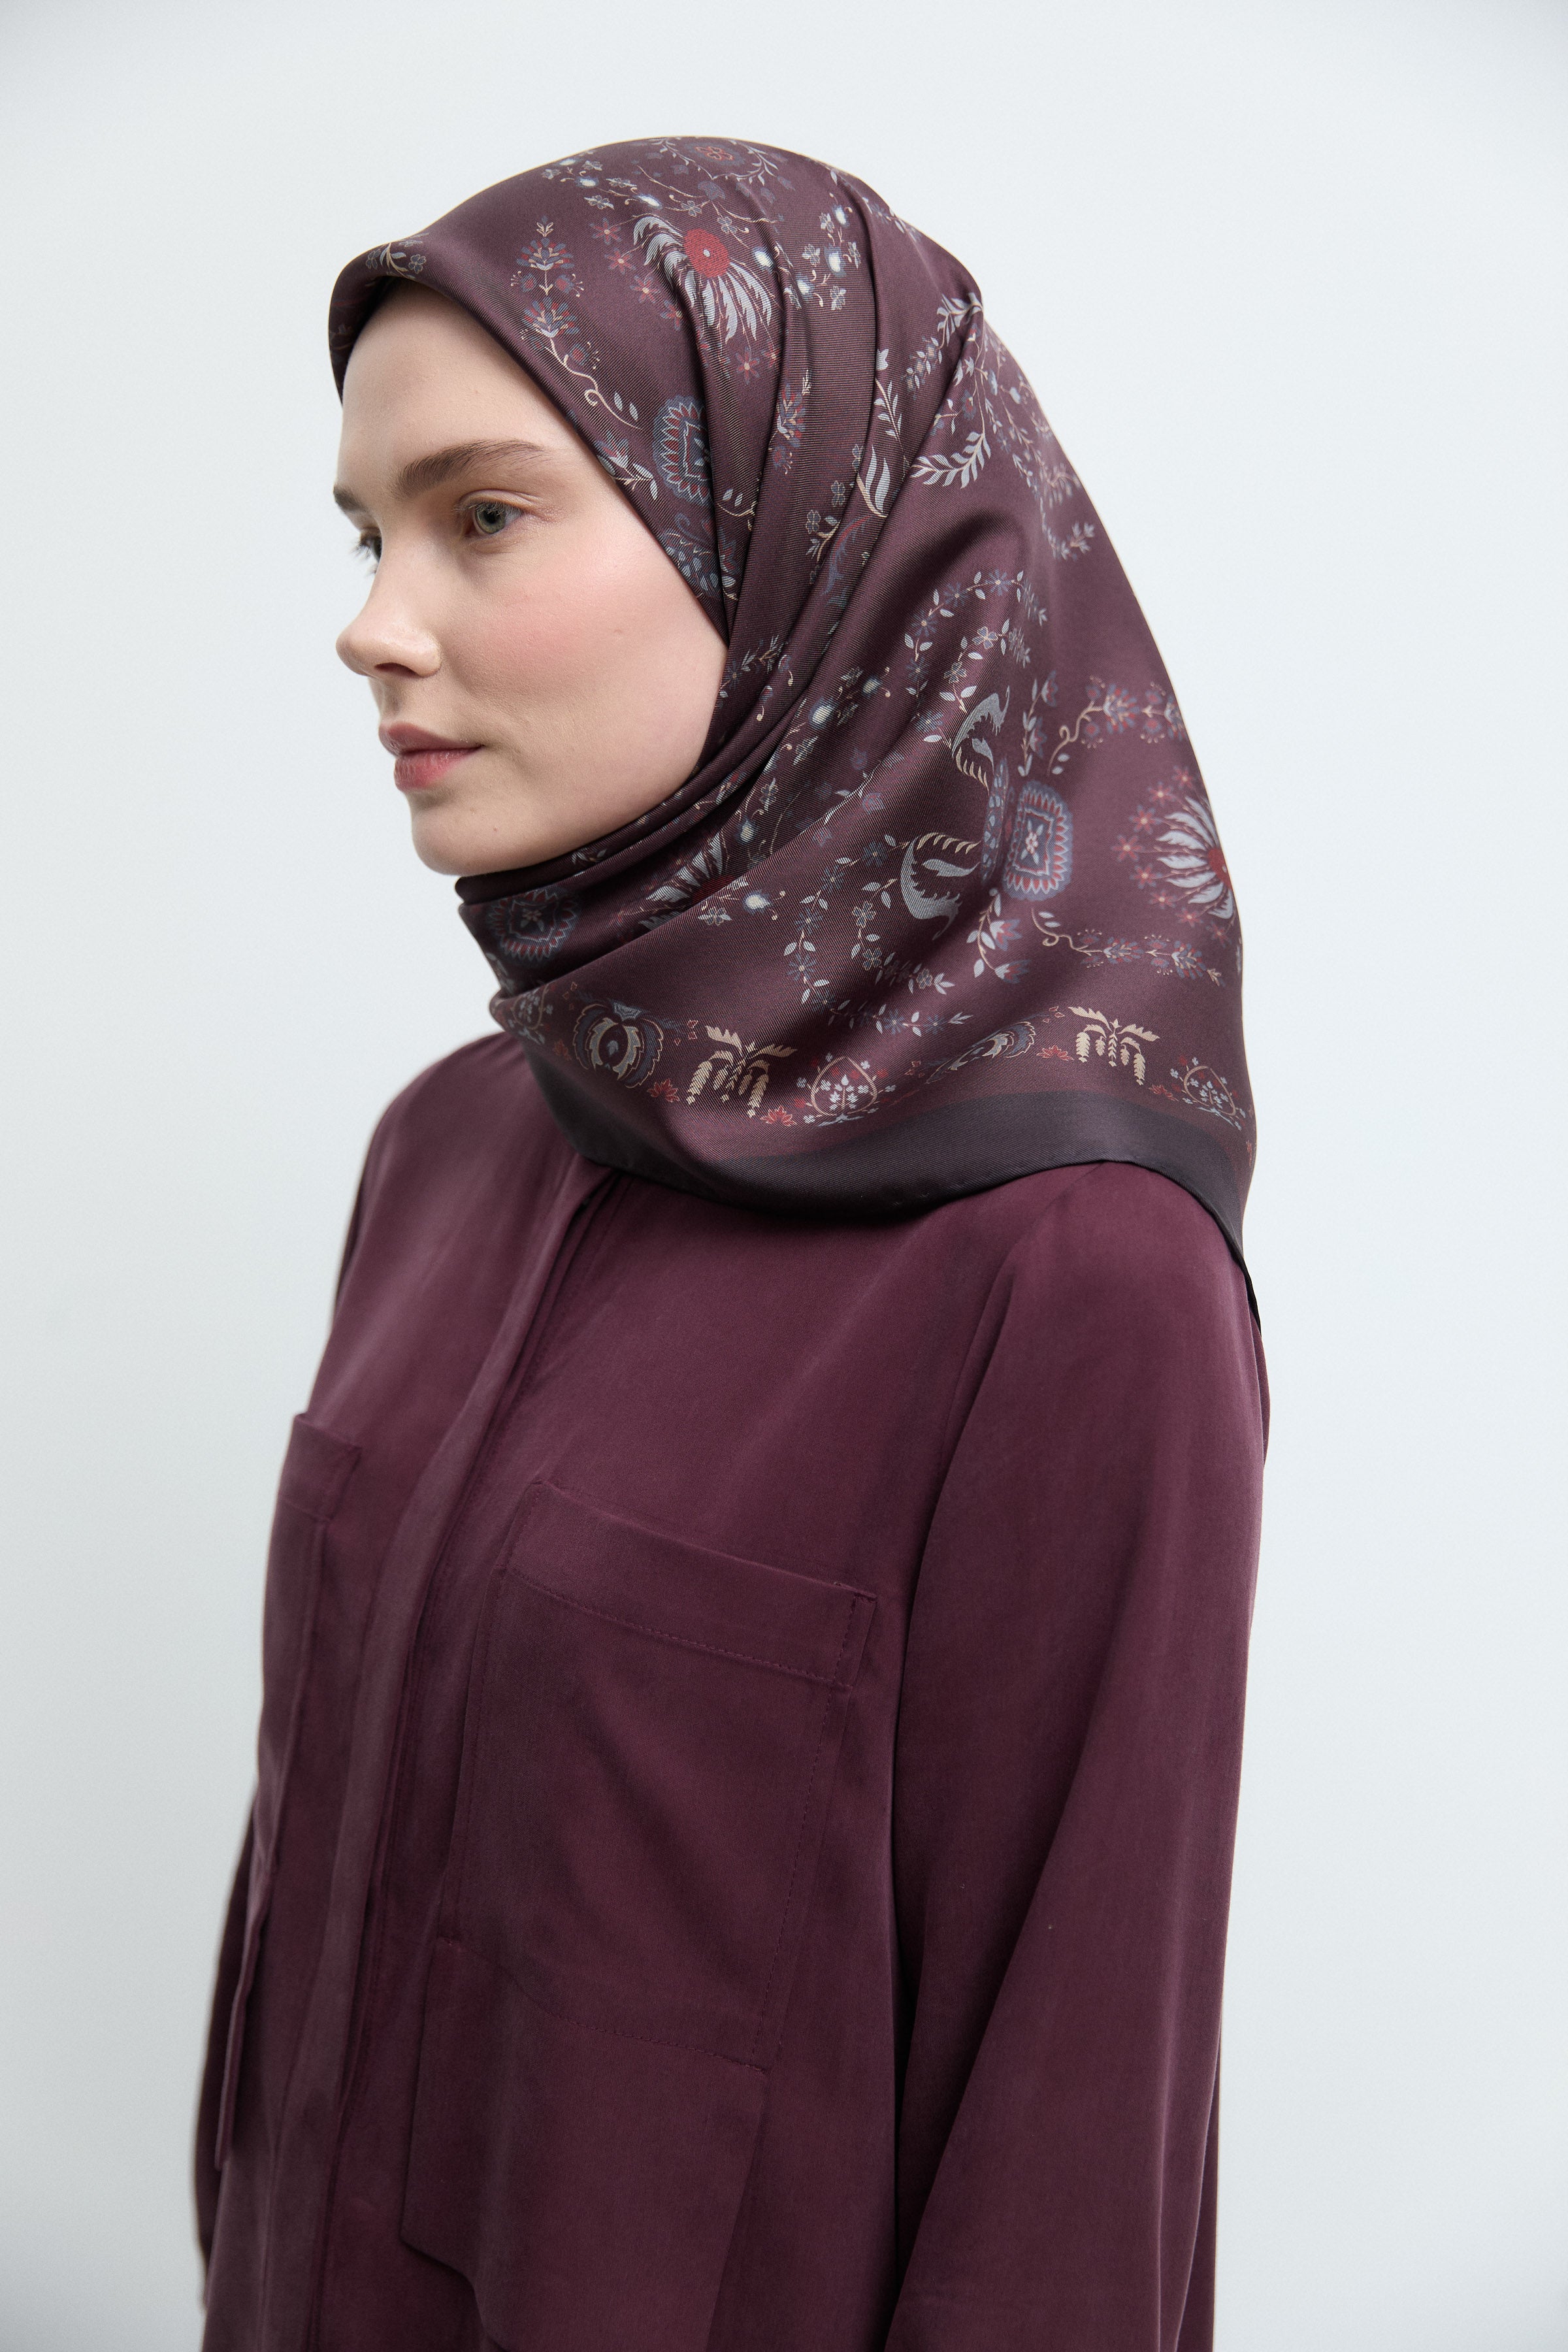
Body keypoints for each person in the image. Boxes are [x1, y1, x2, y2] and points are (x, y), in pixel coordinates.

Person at [194, 137, 1267, 2352]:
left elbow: (1064, 2176)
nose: (373, 623)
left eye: (485, 516)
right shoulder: (449, 1149)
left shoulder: (1076, 1282)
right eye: (371, 533)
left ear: (802, 544)